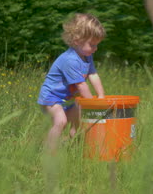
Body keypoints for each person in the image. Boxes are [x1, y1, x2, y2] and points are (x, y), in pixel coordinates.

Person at [38, 13, 106, 152]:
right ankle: (49, 152)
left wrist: (101, 97)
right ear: (77, 41)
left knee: (79, 119)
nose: (95, 49)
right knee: (61, 121)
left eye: (97, 45)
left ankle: (74, 144)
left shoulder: (87, 56)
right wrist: (91, 105)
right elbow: (81, 85)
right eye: (92, 45)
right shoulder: (70, 60)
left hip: (68, 98)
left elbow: (93, 74)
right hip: (51, 97)